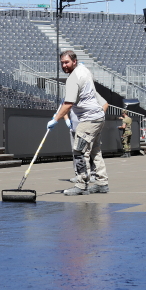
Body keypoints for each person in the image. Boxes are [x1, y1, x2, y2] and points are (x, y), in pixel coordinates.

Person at [47, 51, 109, 195]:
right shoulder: (84, 70)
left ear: (74, 61)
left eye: (67, 62)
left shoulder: (73, 78)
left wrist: (55, 119)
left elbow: (68, 104)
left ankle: (81, 185)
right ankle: (102, 183)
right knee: (95, 151)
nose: (64, 65)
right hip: (98, 117)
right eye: (62, 62)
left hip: (88, 119)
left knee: (79, 152)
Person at [64, 92, 108, 183]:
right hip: (74, 128)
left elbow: (105, 104)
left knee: (89, 152)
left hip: (88, 128)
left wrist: (97, 118)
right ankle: (79, 174)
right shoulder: (71, 95)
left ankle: (89, 176)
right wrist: (67, 119)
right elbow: (64, 108)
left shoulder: (92, 93)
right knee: (77, 153)